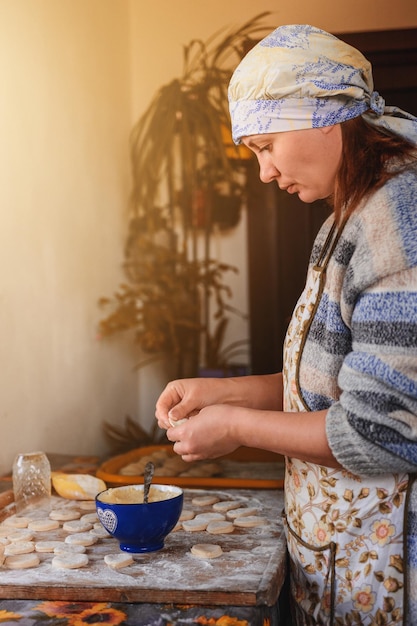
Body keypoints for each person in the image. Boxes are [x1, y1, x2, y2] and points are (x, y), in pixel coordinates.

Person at [155, 24, 417, 625]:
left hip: (390, 571)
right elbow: (334, 381)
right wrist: (225, 392)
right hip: (341, 552)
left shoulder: (398, 220)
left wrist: (236, 425)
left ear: (324, 116)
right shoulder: (344, 219)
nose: (265, 172)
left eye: (266, 144)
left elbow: (381, 432)